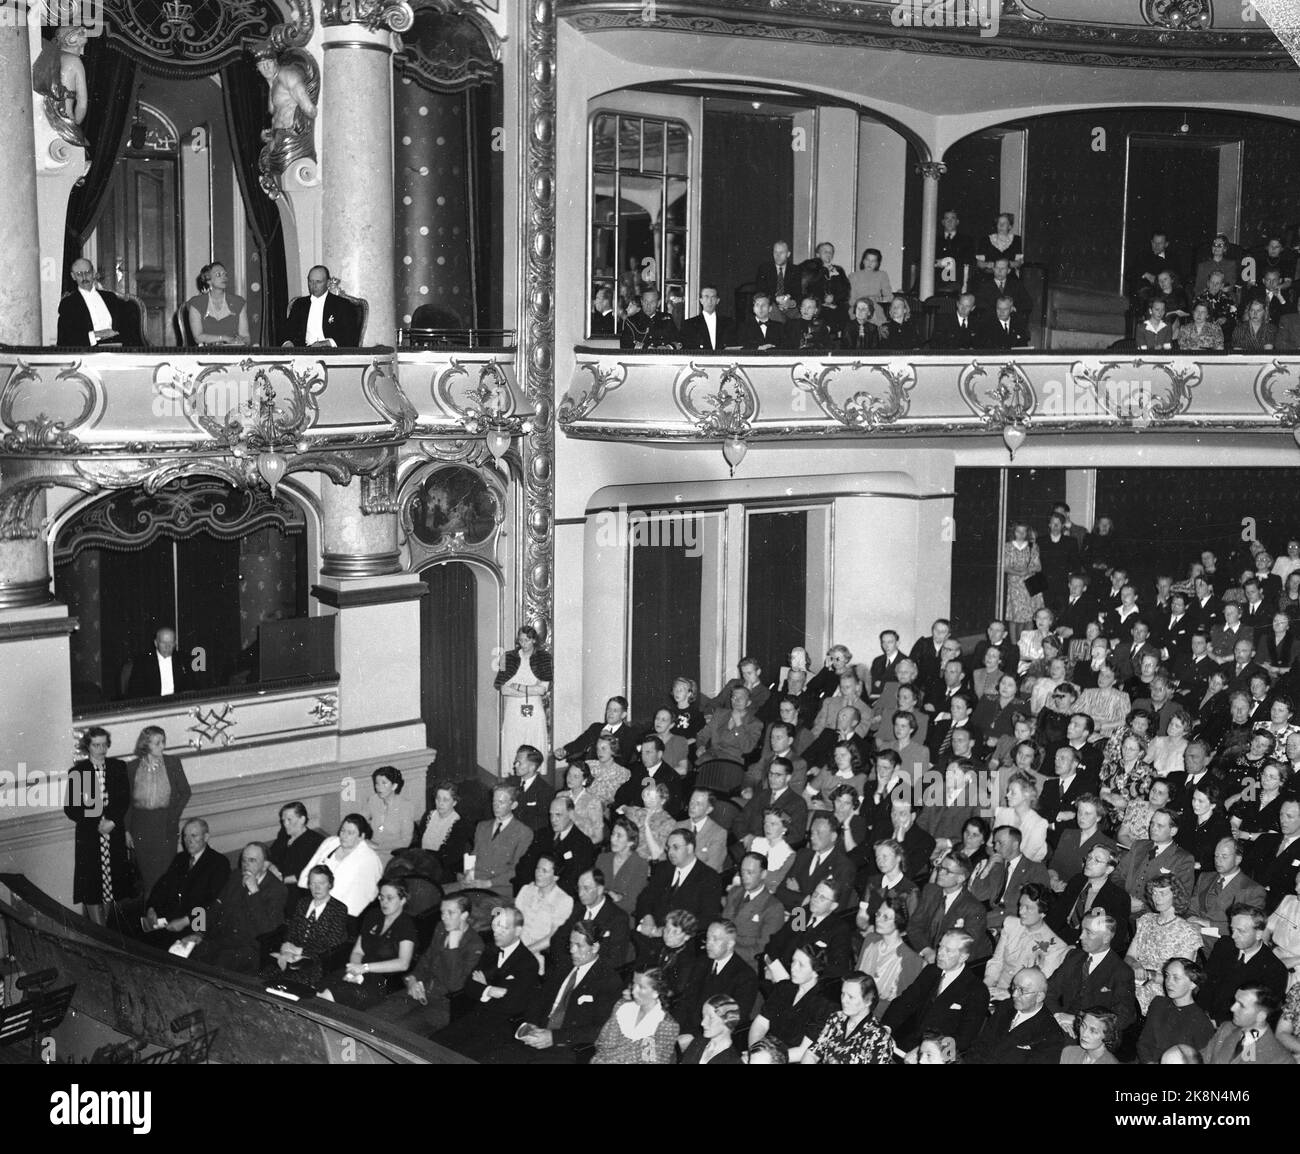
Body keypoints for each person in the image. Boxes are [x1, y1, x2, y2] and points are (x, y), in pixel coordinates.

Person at [488, 921, 625, 1064]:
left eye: (579, 945)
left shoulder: (608, 980)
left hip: (565, 1047)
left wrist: (554, 1037)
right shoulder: (563, 965)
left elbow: (599, 1029)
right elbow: (538, 999)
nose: (572, 950)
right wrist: (532, 1024)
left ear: (595, 947)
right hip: (536, 1036)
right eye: (571, 944)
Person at [432, 905, 541, 1058]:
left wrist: (483, 987)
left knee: (460, 1057)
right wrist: (490, 990)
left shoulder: (528, 963)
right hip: (477, 1016)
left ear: (517, 931)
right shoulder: (491, 950)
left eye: (503, 927)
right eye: (495, 926)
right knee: (433, 1043)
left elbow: (511, 1004)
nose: (496, 931)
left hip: (501, 1027)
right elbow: (469, 985)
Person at [372, 894, 484, 1037]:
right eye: (442, 912)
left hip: (442, 1005)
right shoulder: (441, 928)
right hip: (420, 990)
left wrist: (453, 949)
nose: (444, 917)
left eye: (450, 913)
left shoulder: (475, 944)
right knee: (373, 1016)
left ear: (464, 915)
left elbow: (455, 986)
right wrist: (412, 979)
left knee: (395, 1032)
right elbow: (427, 959)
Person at [881, 929, 990, 1056]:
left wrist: (925, 1051)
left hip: (935, 1055)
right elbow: (905, 1002)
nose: (940, 954)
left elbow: (964, 1040)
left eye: (948, 950)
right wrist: (887, 1027)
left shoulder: (977, 991)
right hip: (904, 1042)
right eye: (940, 947)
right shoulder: (931, 971)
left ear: (963, 957)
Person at [185, 842, 287, 974]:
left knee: (218, 964)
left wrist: (254, 892)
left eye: (252, 860)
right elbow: (215, 907)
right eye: (244, 860)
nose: (246, 864)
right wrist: (198, 931)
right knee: (188, 951)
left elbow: (268, 931)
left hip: (249, 948)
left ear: (266, 865)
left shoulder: (277, 890)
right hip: (223, 940)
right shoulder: (235, 876)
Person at [320, 880, 417, 1008]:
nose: (384, 902)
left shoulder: (406, 925)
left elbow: (403, 963)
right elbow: (358, 951)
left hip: (381, 980)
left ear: (403, 900)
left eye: (389, 898)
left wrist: (365, 968)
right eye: (381, 897)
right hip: (360, 972)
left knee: (331, 995)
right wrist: (355, 971)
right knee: (321, 987)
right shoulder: (373, 915)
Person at [1044, 911, 1138, 1039]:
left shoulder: (1121, 972)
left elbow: (1124, 1017)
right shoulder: (1074, 957)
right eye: (1082, 930)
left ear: (1106, 938)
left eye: (1088, 932)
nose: (1081, 936)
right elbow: (1048, 990)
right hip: (1060, 1023)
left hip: (1092, 1036)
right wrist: (1058, 1015)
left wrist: (1078, 1021)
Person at [142, 818, 231, 945]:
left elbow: (213, 902)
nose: (188, 841)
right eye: (185, 836)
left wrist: (185, 920)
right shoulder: (180, 858)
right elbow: (162, 886)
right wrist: (151, 908)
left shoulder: (218, 863)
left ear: (206, 837)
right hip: (167, 919)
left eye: (194, 836)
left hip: (194, 924)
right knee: (131, 931)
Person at [1126, 874, 1205, 1014]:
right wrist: (1135, 964)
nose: (1156, 898)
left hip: (1162, 991)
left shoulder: (1187, 932)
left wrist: (1150, 975)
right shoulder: (1146, 920)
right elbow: (1129, 957)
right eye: (1154, 893)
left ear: (1175, 895)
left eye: (1162, 893)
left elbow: (1181, 980)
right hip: (1135, 981)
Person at [119, 724, 188, 880]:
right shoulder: (132, 767)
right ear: (146, 744)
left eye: (163, 741)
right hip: (141, 827)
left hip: (165, 825)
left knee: (167, 875)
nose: (162, 746)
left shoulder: (172, 763)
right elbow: (127, 802)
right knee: (148, 876)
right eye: (157, 743)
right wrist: (126, 831)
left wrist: (173, 815)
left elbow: (185, 792)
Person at [1199, 904, 1289, 1023]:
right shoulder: (1224, 945)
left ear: (1259, 934)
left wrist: (1219, 1023)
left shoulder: (1274, 970)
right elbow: (1206, 985)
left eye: (1241, 931)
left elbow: (1263, 1016)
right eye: (1232, 929)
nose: (1234, 936)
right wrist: (1201, 1016)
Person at [266, 864, 350, 990]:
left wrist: (301, 952)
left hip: (318, 960)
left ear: (330, 884)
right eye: (312, 883)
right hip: (292, 953)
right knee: (267, 973)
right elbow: (292, 930)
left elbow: (331, 942)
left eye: (321, 883)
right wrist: (287, 947)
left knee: (290, 980)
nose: (316, 887)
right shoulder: (303, 903)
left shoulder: (339, 909)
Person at [968, 967, 1069, 1065]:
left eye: (1022, 990)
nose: (1014, 994)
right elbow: (980, 1045)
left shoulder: (1051, 1033)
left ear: (1039, 997)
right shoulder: (1005, 1006)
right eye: (1014, 987)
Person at [297, 814, 384, 925]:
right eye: (342, 831)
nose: (344, 836)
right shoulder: (331, 842)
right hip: (313, 896)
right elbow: (308, 871)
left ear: (361, 836)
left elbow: (360, 899)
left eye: (350, 833)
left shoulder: (369, 859)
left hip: (340, 913)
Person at [984, 886, 1069, 998]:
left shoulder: (1056, 947)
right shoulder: (1011, 924)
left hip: (1022, 998)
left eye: (1028, 908)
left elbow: (1038, 985)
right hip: (995, 990)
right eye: (1020, 905)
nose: (1021, 911)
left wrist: (1009, 994)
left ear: (1043, 913)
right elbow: (997, 961)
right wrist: (986, 987)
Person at [453, 784, 533, 902]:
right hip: (474, 882)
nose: (496, 806)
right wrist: (467, 875)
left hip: (498, 887)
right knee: (441, 895)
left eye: (501, 802)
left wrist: (487, 883)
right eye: (494, 801)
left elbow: (517, 870)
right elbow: (474, 855)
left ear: (513, 805)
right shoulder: (482, 826)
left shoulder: (523, 832)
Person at [856, 892, 925, 1015]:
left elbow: (900, 1004)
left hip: (880, 1015)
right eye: (878, 914)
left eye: (885, 917)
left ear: (898, 921)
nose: (878, 919)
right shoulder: (870, 939)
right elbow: (856, 976)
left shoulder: (911, 959)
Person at [1137, 957, 1216, 1063]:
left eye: (1176, 978)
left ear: (1192, 984)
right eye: (1167, 975)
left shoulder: (1201, 1022)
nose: (1168, 982)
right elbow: (1144, 1042)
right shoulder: (1159, 1003)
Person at [591, 968, 679, 1063]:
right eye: (634, 984)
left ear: (655, 993)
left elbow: (650, 1061)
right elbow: (602, 1043)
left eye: (641, 987)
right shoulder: (622, 1007)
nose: (633, 991)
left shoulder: (664, 1025)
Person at [803, 972, 894, 1064]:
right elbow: (812, 1053)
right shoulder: (836, 1019)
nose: (843, 1000)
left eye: (851, 997)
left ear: (868, 1001)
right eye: (843, 994)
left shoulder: (879, 1037)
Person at [495, 626, 552, 764]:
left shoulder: (544, 657)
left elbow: (542, 690)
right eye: (520, 640)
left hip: (535, 706)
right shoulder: (506, 657)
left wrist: (518, 686)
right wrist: (531, 689)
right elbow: (503, 689)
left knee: (533, 739)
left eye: (527, 640)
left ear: (533, 640)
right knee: (513, 740)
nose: (523, 643)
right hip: (513, 708)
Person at [57, 257, 145, 347]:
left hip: (118, 349)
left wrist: (117, 334)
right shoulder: (68, 304)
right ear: (73, 276)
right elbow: (67, 338)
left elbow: (127, 327)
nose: (84, 277)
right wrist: (97, 334)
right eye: (79, 274)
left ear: (93, 273)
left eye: (87, 272)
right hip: (89, 352)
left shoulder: (110, 298)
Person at [721, 852, 785, 967]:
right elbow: (723, 925)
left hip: (746, 964)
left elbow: (762, 949)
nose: (744, 877)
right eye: (742, 871)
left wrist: (727, 951)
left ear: (763, 874)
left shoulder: (773, 907)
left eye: (750, 872)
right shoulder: (735, 892)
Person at [1201, 983, 1292, 1064]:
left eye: (1241, 1005)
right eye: (1235, 1001)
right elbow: (1201, 1059)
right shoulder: (1226, 1029)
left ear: (1261, 1016)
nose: (1232, 1008)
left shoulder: (1281, 1059)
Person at [282, 265, 361, 347]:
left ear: (328, 283)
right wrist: (288, 342)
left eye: (318, 282)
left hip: (330, 354)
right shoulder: (299, 304)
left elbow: (350, 336)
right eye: (310, 281)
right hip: (304, 353)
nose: (313, 285)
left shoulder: (342, 305)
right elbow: (288, 330)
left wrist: (327, 343)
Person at [412, 781, 472, 882]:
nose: (440, 803)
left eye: (446, 800)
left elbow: (450, 857)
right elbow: (418, 841)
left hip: (444, 869)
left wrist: (424, 858)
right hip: (422, 863)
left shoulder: (460, 823)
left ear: (454, 802)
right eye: (438, 798)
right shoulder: (428, 816)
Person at [267, 801, 325, 901]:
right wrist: (272, 867)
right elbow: (270, 855)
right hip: (276, 884)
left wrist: (281, 879)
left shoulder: (315, 842)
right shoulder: (284, 835)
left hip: (298, 892)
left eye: (289, 820)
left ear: (302, 819)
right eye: (283, 820)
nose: (285, 824)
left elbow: (308, 875)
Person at [596, 816, 650, 919]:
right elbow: (595, 889)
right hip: (598, 911)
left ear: (631, 842)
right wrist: (615, 896)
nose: (612, 839)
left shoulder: (640, 864)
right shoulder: (603, 858)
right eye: (612, 834)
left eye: (619, 836)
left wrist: (608, 895)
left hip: (621, 916)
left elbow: (632, 903)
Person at [185, 262, 249, 346]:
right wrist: (224, 339)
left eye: (225, 274)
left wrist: (240, 341)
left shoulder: (238, 302)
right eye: (218, 275)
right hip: (206, 355)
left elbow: (246, 336)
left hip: (232, 353)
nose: (224, 277)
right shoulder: (196, 304)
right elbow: (198, 337)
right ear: (208, 280)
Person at [125, 626, 194, 699]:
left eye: (171, 642)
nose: (167, 647)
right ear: (156, 643)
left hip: (178, 703)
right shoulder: (143, 662)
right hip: (154, 705)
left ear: (175, 643)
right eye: (163, 643)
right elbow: (135, 691)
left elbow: (192, 686)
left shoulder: (183, 659)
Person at [364, 766, 415, 864]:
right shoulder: (373, 800)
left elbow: (405, 841)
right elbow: (359, 820)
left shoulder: (406, 806)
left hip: (391, 854)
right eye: (377, 783)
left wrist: (377, 846)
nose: (379, 787)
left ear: (394, 786)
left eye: (384, 783)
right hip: (370, 850)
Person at [1003, 521, 1043, 632]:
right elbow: (1005, 567)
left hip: (1029, 583)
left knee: (1029, 617)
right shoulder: (1007, 546)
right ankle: (1014, 644)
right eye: (1018, 531)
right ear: (1013, 532)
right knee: (1014, 616)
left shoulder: (1033, 546)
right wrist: (1018, 573)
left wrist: (1029, 570)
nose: (1021, 534)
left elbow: (1039, 567)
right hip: (1015, 585)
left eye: (1024, 532)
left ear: (1027, 533)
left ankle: (1026, 643)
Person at [1264, 870, 1300, 988]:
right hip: (1272, 957)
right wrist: (1263, 948)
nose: (1297, 888)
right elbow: (1267, 927)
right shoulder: (1289, 901)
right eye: (1296, 883)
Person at [558, 762, 604, 847]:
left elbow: (598, 836)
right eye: (569, 774)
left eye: (576, 776)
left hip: (582, 844)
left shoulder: (593, 801)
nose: (570, 779)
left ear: (584, 780)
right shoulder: (561, 796)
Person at [679, 284, 734, 351]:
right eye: (706, 297)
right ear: (701, 300)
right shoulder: (689, 324)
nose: (710, 301)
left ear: (717, 301)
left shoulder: (728, 323)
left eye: (713, 297)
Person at [848, 247, 893, 326]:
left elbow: (889, 297)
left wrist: (877, 299)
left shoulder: (882, 275)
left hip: (875, 308)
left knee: (874, 315)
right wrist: (865, 303)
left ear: (877, 263)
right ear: (863, 261)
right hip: (857, 309)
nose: (870, 263)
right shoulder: (853, 276)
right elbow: (851, 300)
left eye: (873, 261)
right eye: (867, 260)